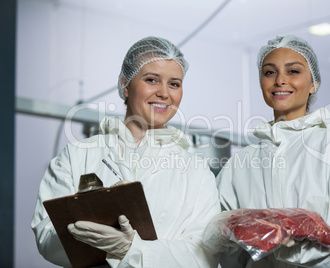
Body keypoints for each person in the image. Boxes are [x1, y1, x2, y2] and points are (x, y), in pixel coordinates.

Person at [31, 36, 221, 268]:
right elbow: (45, 234)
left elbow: (205, 255)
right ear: (125, 84)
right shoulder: (78, 154)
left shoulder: (197, 171)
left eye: (174, 84)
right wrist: (87, 229)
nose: (164, 93)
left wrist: (132, 249)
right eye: (152, 80)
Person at [214, 35, 330, 267]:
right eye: (269, 72)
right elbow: (223, 250)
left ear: (314, 83)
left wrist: (314, 237)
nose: (280, 80)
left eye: (293, 71)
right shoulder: (239, 164)